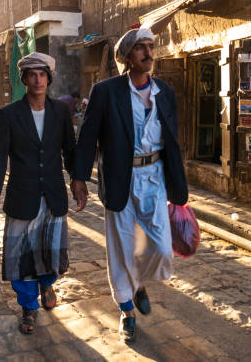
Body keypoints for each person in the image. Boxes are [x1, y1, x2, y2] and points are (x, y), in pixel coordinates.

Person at [71, 28, 188, 343]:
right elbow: (88, 137)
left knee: (162, 249)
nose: (149, 53)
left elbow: (173, 143)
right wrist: (79, 178)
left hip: (155, 178)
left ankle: (138, 283)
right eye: (141, 48)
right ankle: (126, 312)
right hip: (120, 178)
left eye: (151, 47)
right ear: (126, 57)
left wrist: (179, 187)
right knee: (122, 248)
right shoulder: (106, 92)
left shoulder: (165, 92)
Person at [0, 52, 75, 335]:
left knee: (49, 249)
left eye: (43, 74)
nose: (38, 79)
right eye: (32, 74)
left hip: (52, 194)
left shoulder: (60, 112)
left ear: (49, 78)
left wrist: (78, 181)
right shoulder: (10, 114)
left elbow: (70, 151)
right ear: (24, 79)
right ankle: (28, 306)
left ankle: (47, 283)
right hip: (22, 195)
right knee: (20, 255)